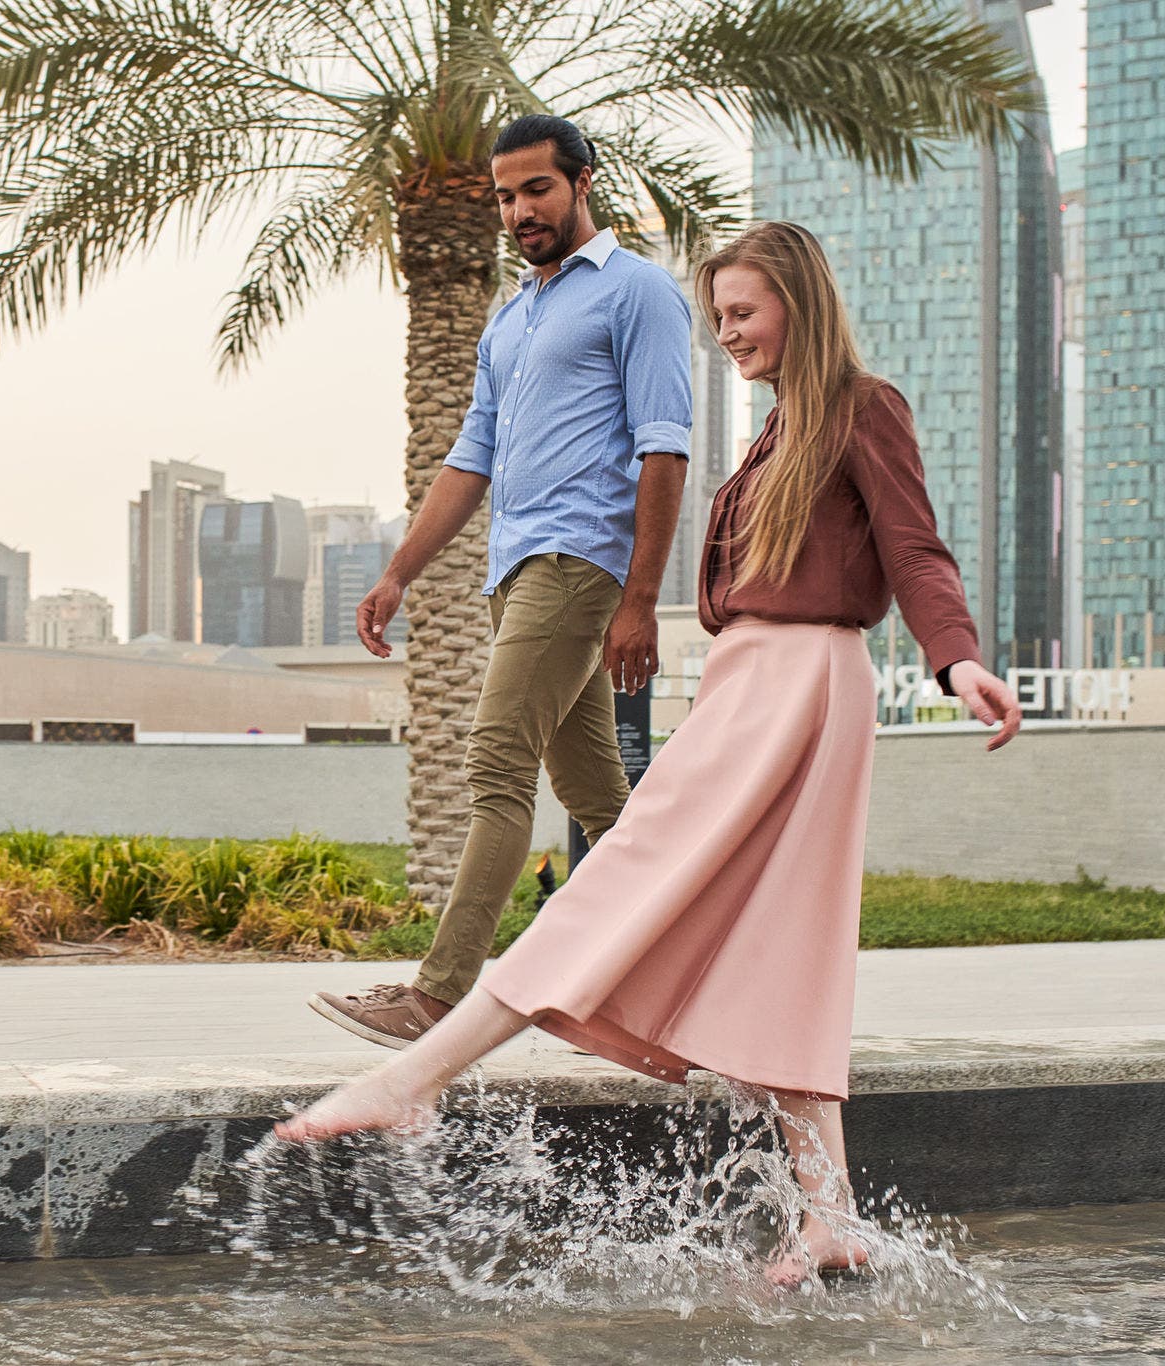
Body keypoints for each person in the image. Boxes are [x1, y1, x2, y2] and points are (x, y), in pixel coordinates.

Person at [276, 221, 1024, 1287]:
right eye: (716, 317)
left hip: (795, 684)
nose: (726, 334)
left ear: (798, 307)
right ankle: (830, 1215)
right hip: (757, 682)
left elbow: (913, 549)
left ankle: (415, 1075)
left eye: (743, 313)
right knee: (779, 938)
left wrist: (956, 664)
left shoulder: (862, 407)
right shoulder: (777, 433)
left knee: (612, 875)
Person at [312, 113, 693, 1049]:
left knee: (494, 765)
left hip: (580, 564)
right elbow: (469, 458)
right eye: (504, 197)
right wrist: (398, 573)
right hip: (514, 569)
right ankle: (697, 979)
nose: (519, 211)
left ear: (582, 183)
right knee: (604, 800)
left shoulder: (638, 293)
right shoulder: (513, 315)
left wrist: (639, 599)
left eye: (536, 190)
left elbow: (664, 448)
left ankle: (437, 999)